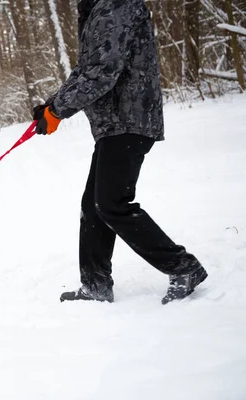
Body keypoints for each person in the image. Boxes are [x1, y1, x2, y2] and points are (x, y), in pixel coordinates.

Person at [32, 0, 207, 305]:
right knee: (94, 205)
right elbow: (86, 70)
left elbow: (103, 73)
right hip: (115, 123)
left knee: (112, 204)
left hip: (129, 118)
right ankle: (96, 284)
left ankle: (184, 267)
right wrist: (52, 105)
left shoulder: (115, 5)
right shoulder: (98, 9)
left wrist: (59, 111)